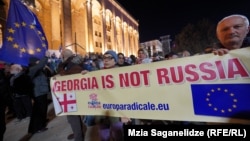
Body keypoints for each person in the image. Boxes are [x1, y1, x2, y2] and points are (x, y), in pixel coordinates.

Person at [83, 50, 126, 141]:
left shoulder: (121, 73)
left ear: (115, 60)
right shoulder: (99, 73)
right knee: (103, 135)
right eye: (104, 58)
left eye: (109, 58)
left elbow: (125, 95)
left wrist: (125, 114)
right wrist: (86, 75)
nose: (106, 60)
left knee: (118, 135)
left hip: (116, 112)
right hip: (101, 112)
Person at [56, 48, 86, 141]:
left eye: (61, 56)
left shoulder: (74, 65)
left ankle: (78, 137)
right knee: (73, 117)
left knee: (73, 117)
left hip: (74, 95)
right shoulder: (70, 64)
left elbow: (66, 77)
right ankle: (78, 132)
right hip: (70, 94)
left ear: (65, 56)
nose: (60, 58)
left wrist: (61, 67)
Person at [26, 50, 51, 137]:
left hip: (41, 92)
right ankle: (38, 127)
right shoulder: (32, 69)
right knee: (39, 111)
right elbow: (40, 65)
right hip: (38, 93)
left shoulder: (37, 70)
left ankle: (41, 122)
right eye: (37, 61)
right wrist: (46, 57)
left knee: (42, 110)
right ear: (34, 62)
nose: (38, 62)